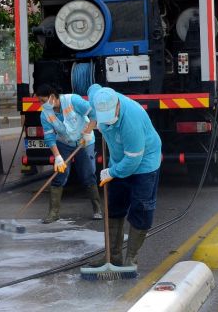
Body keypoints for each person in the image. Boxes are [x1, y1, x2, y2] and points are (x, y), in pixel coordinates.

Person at [87, 84, 161, 269]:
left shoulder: (131, 119)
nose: (108, 122)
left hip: (143, 163)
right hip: (119, 160)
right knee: (113, 207)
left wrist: (111, 172)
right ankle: (113, 256)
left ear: (117, 106)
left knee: (140, 208)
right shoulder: (99, 97)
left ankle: (131, 259)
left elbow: (133, 161)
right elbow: (92, 88)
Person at [36, 84, 102, 224]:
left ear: (52, 97)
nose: (41, 104)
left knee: (88, 174)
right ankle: (53, 213)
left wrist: (88, 132)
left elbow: (94, 114)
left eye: (43, 100)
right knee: (60, 174)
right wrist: (58, 157)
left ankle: (97, 209)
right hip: (64, 143)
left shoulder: (73, 100)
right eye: (39, 101)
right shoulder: (45, 114)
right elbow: (49, 137)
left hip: (85, 141)